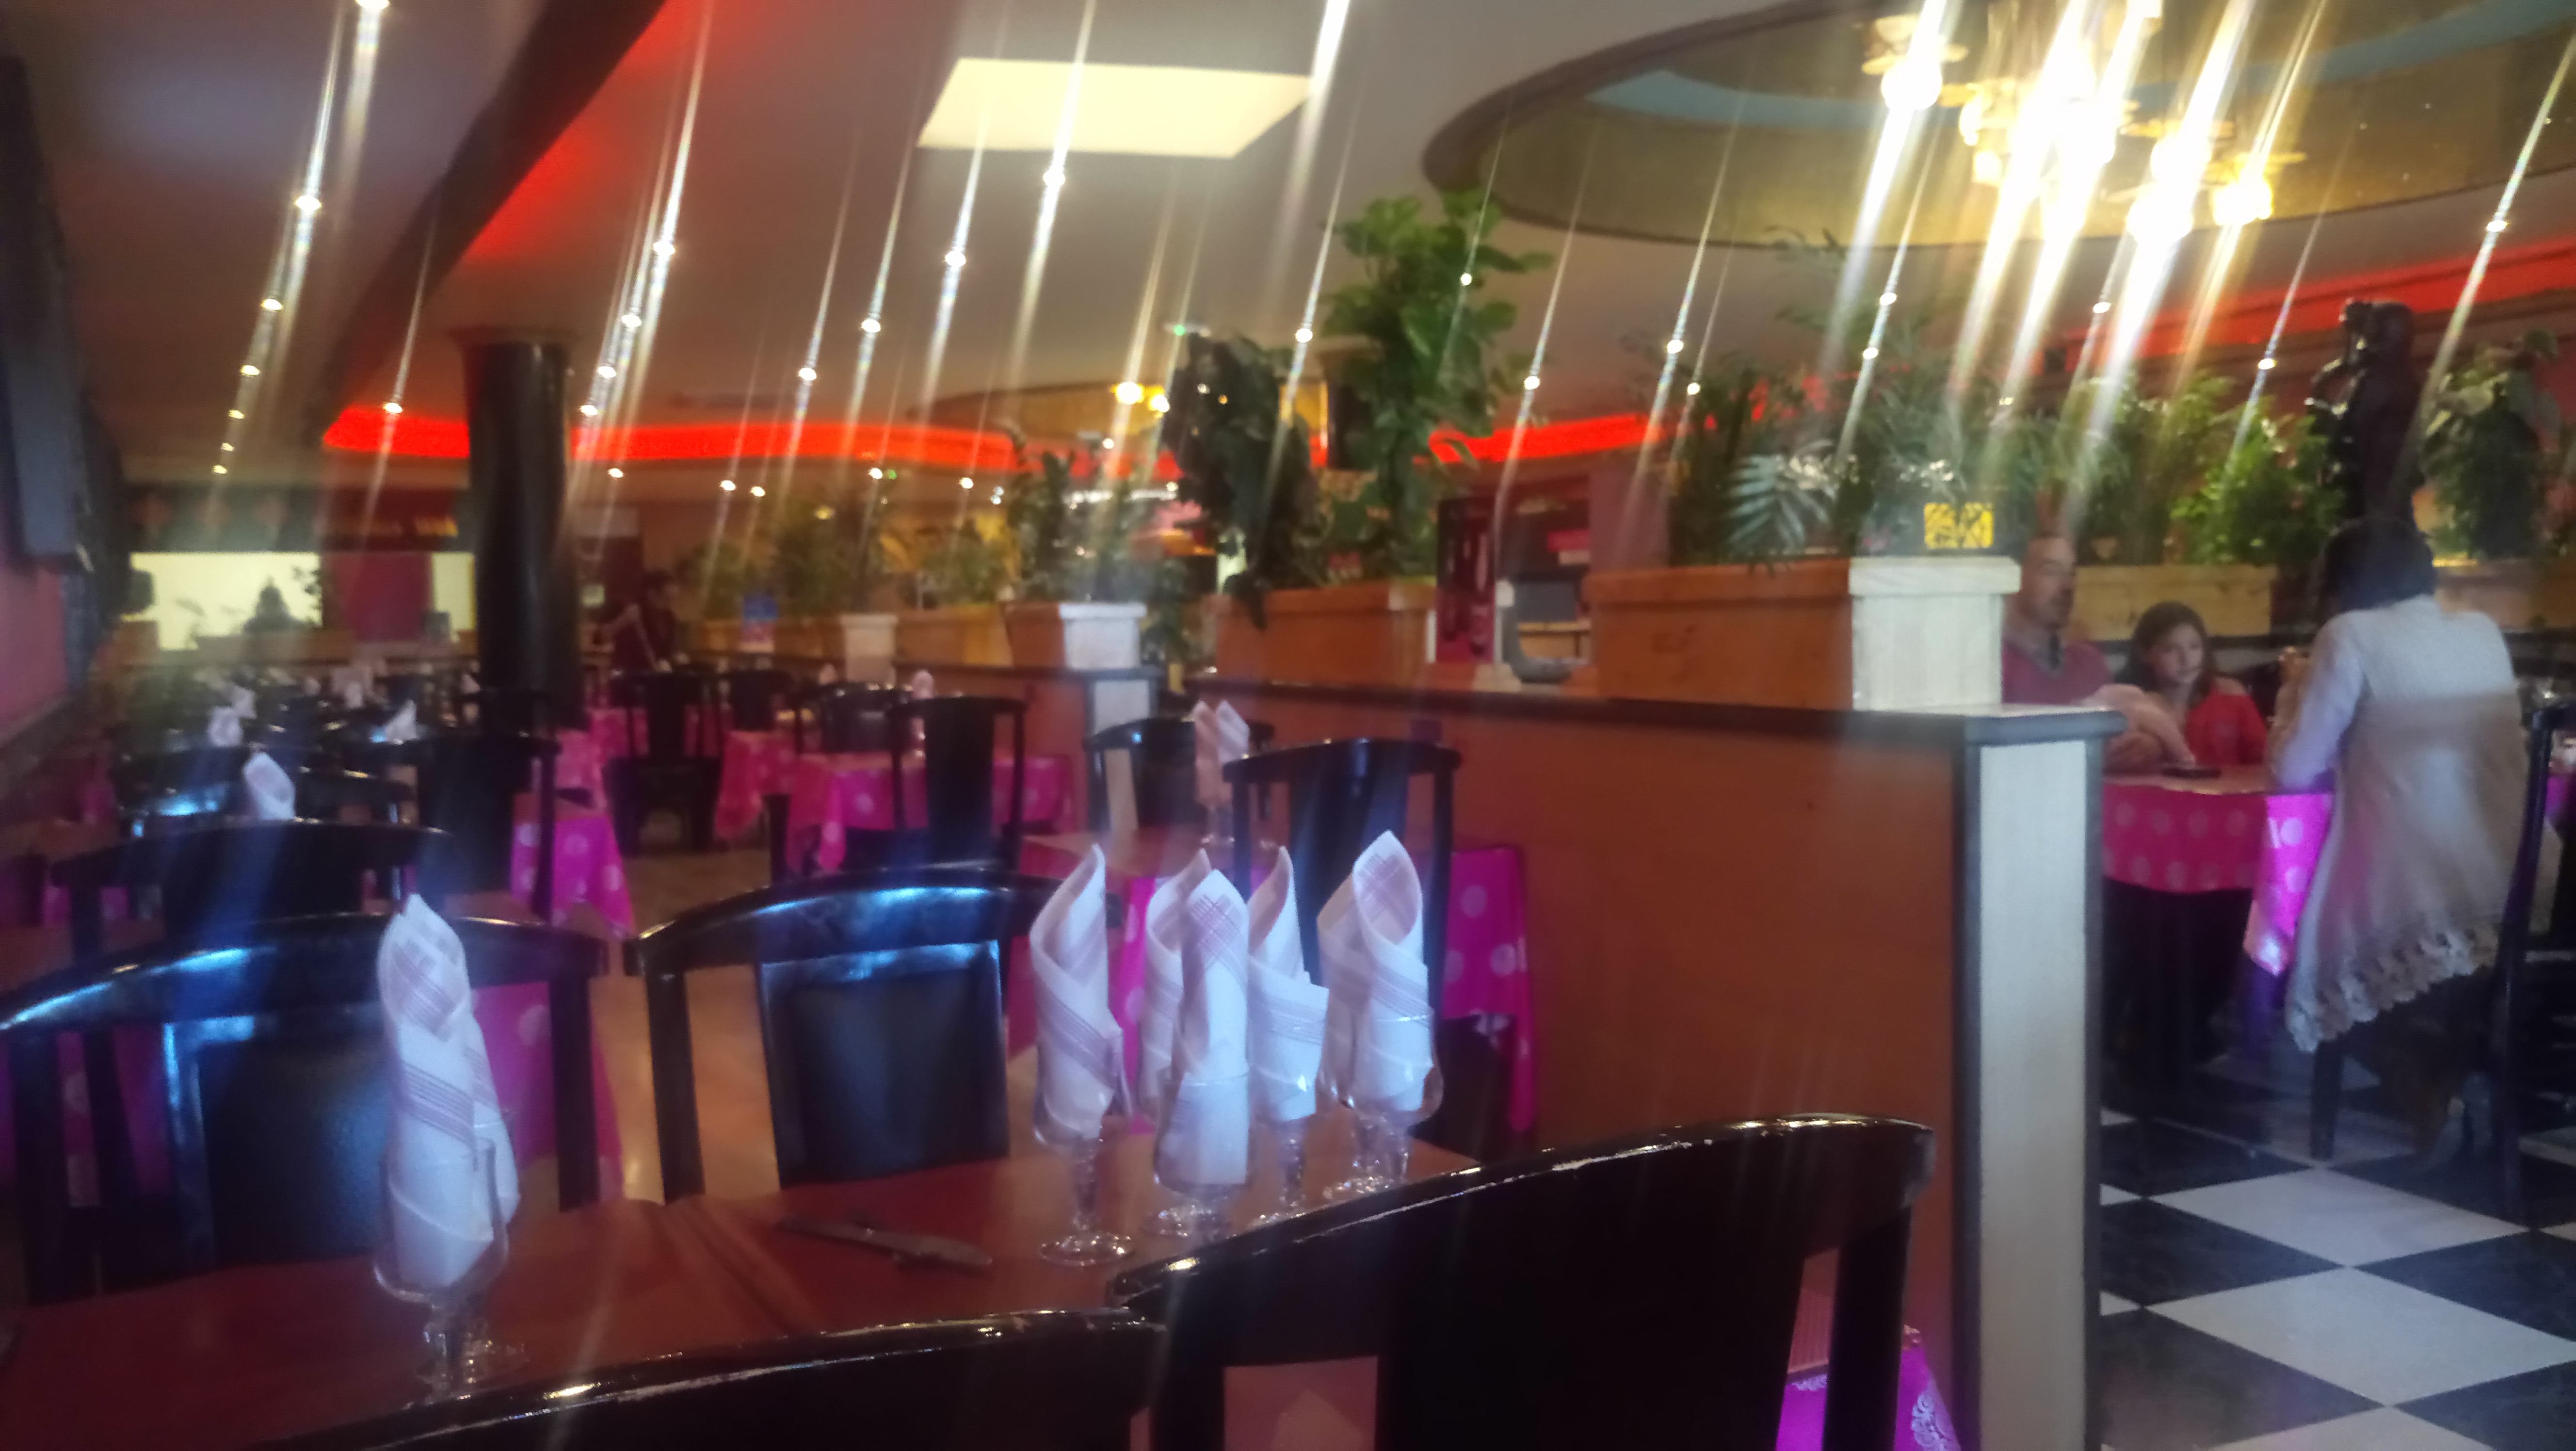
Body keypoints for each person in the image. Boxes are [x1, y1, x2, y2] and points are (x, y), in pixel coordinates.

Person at [2270, 517, 2539, 1150]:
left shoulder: (2349, 636)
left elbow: (2293, 768)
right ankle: (2453, 1065)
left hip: (2415, 883)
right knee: (2398, 970)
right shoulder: (2480, 630)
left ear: (2342, 584)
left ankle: (2428, 1081)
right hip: (2521, 883)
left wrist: (2292, 697)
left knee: (2300, 961)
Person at [2003, 536, 2163, 773]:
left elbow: (2125, 735)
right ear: (2011, 578)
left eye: (2072, 573)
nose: (2068, 586)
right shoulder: (1991, 669)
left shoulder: (2089, 663)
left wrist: (2149, 744)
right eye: (2051, 571)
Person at [2118, 601, 2268, 767]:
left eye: (2195, 647)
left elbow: (2264, 760)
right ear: (2144, 654)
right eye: (2170, 649)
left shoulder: (2232, 696)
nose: (2186, 660)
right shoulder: (2129, 706)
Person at [599, 571, 680, 673]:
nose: (670, 604)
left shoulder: (668, 618)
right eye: (667, 599)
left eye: (673, 600)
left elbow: (667, 651)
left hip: (654, 674)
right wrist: (623, 620)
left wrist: (669, 662)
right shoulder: (628, 610)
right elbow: (600, 638)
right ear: (652, 594)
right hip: (627, 673)